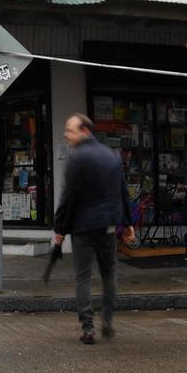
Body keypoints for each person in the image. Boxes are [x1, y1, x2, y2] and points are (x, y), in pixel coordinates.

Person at [52, 113, 134, 344]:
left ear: (85, 131)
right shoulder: (112, 156)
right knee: (109, 274)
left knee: (83, 278)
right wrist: (127, 223)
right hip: (107, 227)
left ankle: (88, 328)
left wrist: (60, 228)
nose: (67, 135)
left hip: (82, 229)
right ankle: (107, 319)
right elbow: (122, 192)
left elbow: (67, 198)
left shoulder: (76, 158)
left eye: (70, 130)